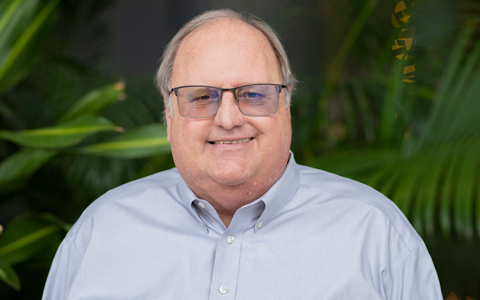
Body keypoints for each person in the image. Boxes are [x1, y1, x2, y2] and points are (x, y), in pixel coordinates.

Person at [43, 9, 442, 299]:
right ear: (168, 113)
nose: (229, 118)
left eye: (253, 94)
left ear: (286, 103)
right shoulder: (99, 233)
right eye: (201, 97)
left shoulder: (377, 234)